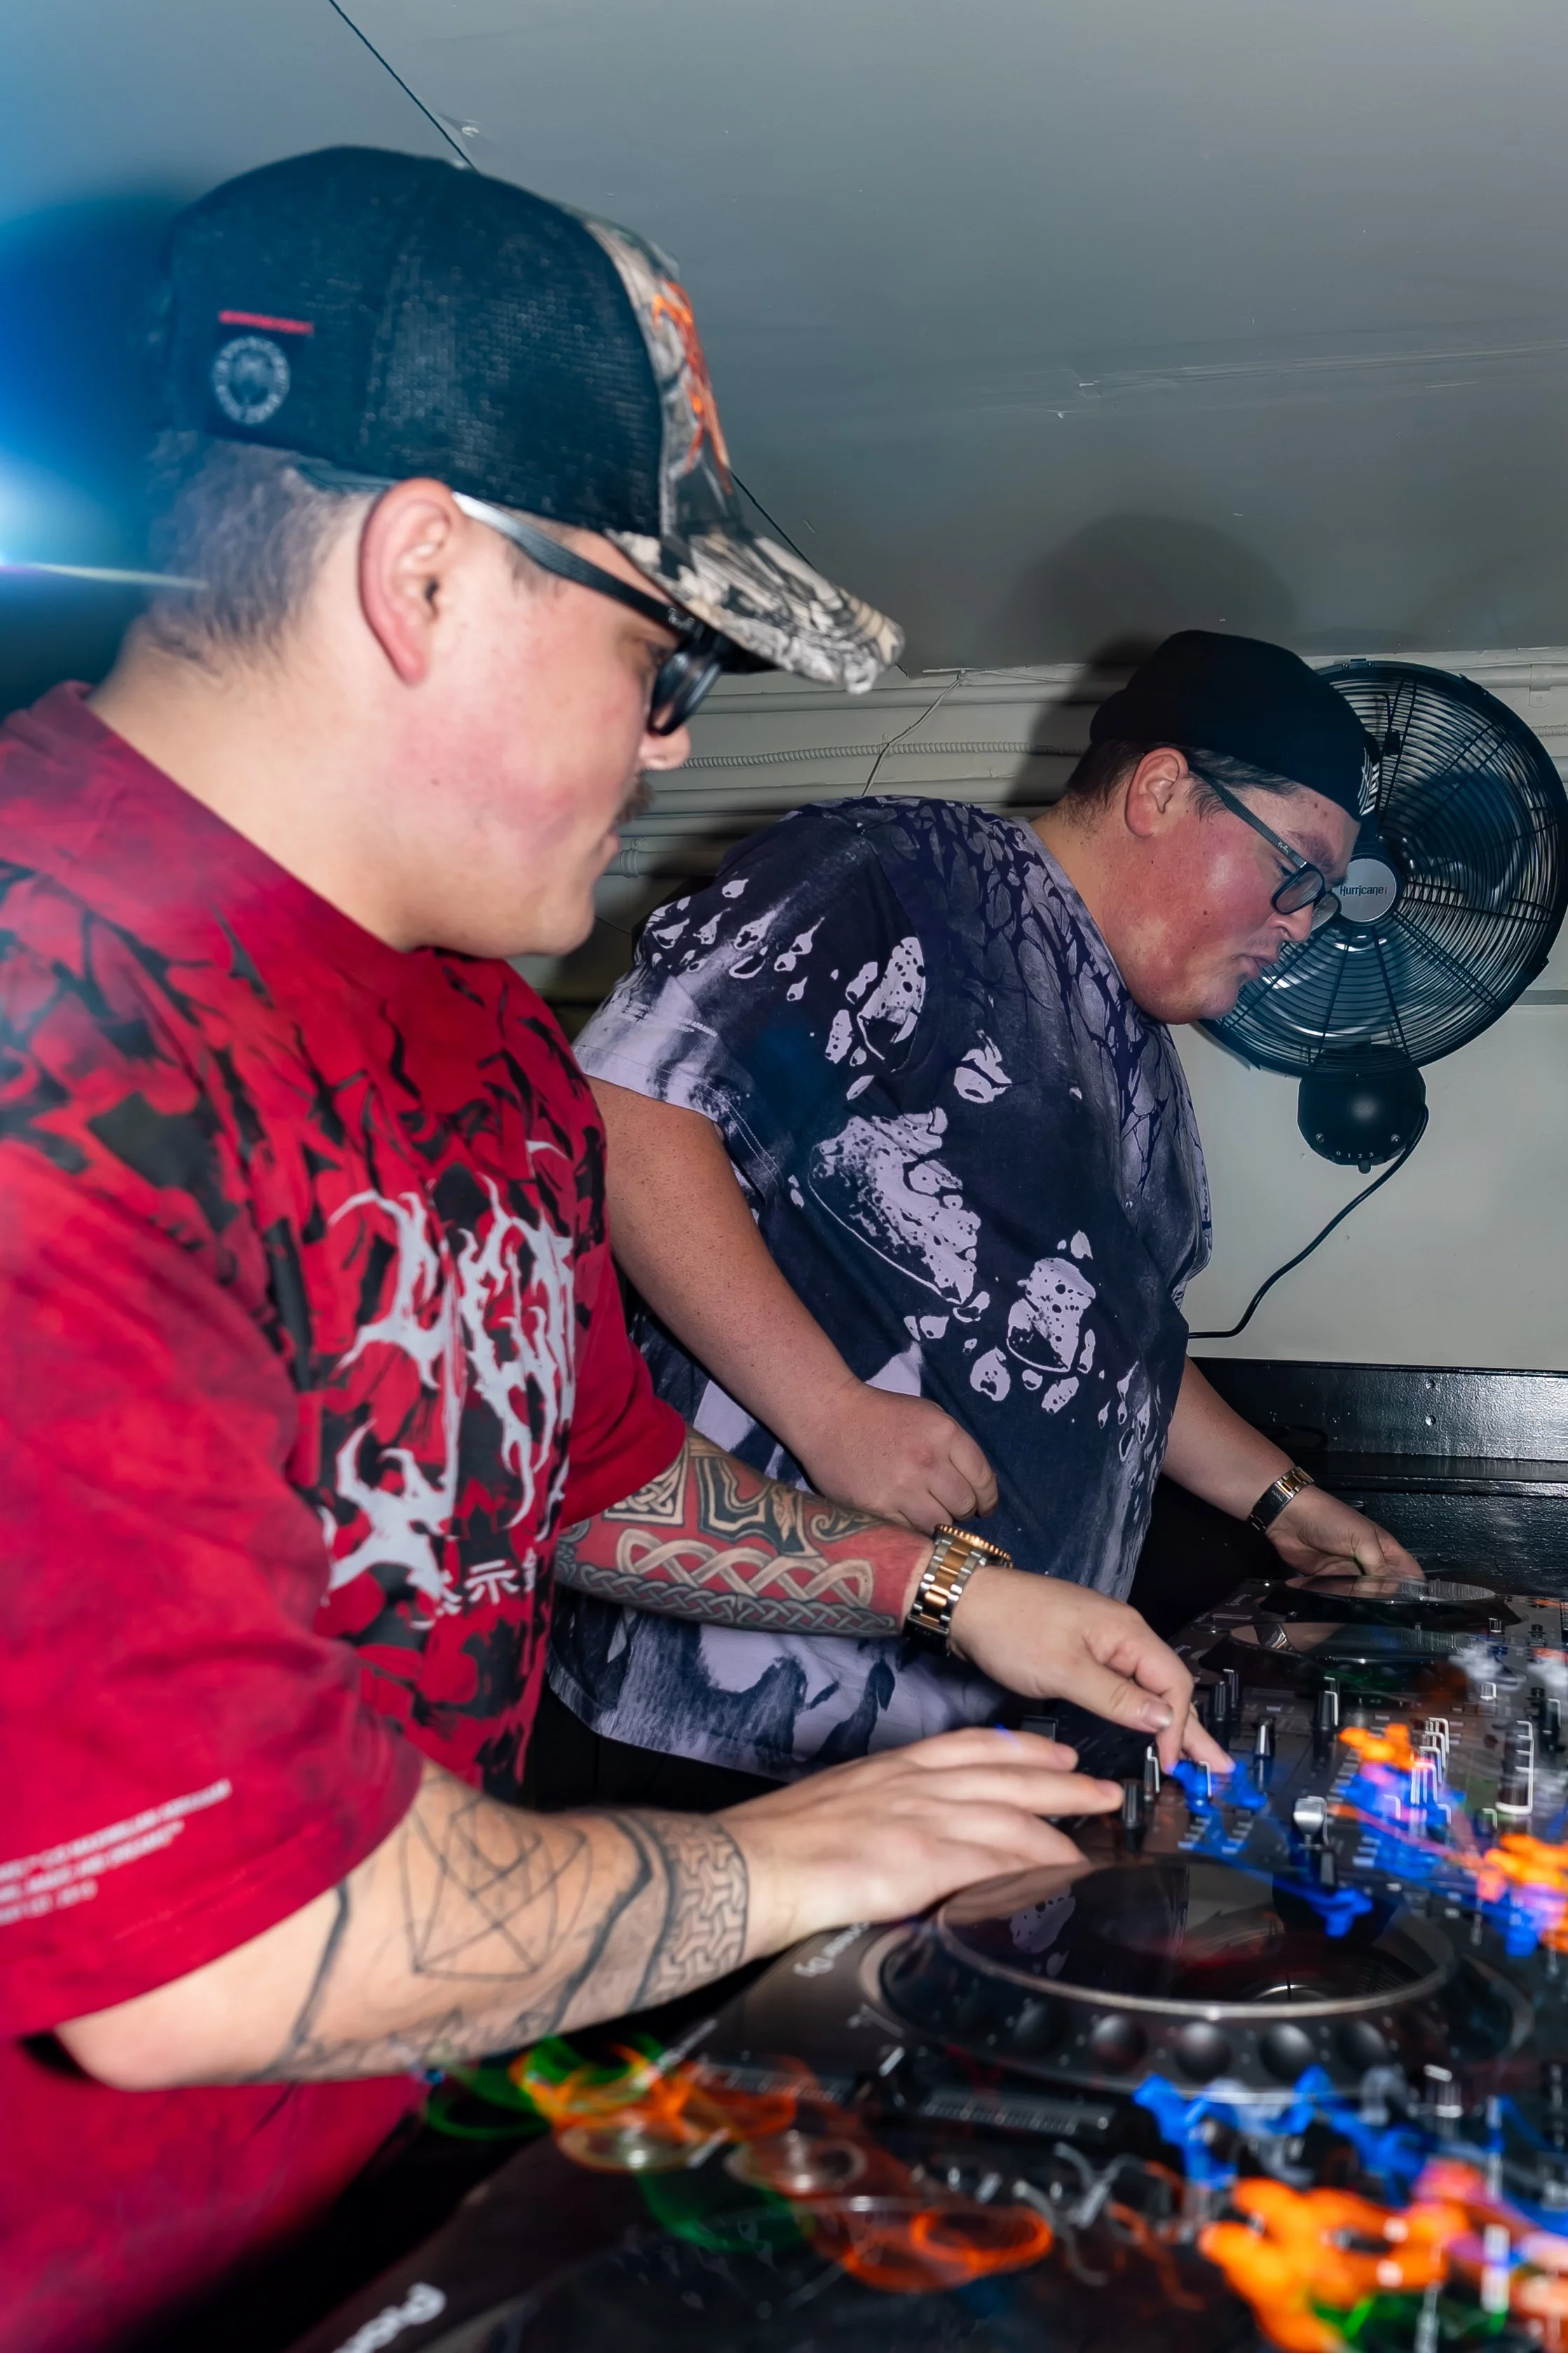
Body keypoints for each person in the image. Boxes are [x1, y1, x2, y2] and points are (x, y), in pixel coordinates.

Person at [0, 149, 1225, 2353]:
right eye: (663, 658)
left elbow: (606, 1487)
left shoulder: (485, 1034)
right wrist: (812, 1853)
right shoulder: (48, 1039)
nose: (676, 741)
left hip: (351, 2210)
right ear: (427, 574)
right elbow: (219, 1962)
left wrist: (969, 1598)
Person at [546, 630, 1424, 1801]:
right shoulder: (886, 874)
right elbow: (630, 1104)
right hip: (729, 1725)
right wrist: (831, 1412)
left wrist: (1285, 1502)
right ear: (1163, 791)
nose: (1309, 922)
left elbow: (1123, 1360)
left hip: (977, 1748)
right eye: (1300, 870)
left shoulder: (1148, 1062)